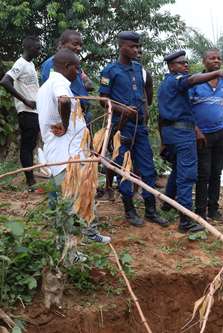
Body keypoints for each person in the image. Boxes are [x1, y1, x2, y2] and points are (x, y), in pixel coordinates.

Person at [36, 48, 110, 243]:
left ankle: (89, 233)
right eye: (76, 69)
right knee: (69, 201)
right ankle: (68, 252)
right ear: (67, 66)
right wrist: (66, 124)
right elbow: (63, 100)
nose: (78, 73)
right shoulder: (59, 82)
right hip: (66, 155)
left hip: (68, 153)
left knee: (85, 192)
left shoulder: (46, 86)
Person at [157, 50, 223, 233]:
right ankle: (186, 221)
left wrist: (163, 139)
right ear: (171, 66)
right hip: (183, 133)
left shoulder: (167, 83)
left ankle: (168, 204)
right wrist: (217, 72)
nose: (185, 65)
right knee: (188, 176)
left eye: (186, 63)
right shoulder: (178, 81)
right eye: (181, 63)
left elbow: (161, 116)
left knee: (178, 170)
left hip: (174, 132)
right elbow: (191, 80)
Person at [99, 31, 167, 228]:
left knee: (147, 168)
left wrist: (144, 114)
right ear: (122, 47)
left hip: (140, 127)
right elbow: (103, 99)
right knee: (123, 169)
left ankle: (151, 210)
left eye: (138, 47)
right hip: (121, 128)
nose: (137, 50)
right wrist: (122, 109)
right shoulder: (109, 71)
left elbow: (145, 95)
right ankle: (129, 210)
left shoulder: (139, 68)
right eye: (133, 47)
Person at [190, 48, 223, 221]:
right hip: (202, 135)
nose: (216, 60)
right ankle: (200, 211)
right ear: (204, 61)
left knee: (217, 173)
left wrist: (220, 106)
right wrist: (197, 130)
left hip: (219, 133)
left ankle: (214, 209)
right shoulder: (195, 82)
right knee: (203, 174)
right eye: (211, 58)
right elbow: (186, 107)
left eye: (218, 58)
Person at [0, 36, 42, 189]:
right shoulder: (20, 63)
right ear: (30, 48)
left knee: (30, 146)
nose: (39, 51)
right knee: (27, 146)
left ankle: (31, 180)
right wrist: (25, 100)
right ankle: (30, 182)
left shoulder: (30, 65)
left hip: (34, 111)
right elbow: (5, 81)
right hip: (26, 111)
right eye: (38, 48)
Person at [40, 30, 94, 124]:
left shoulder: (75, 65)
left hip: (82, 116)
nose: (79, 48)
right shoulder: (51, 64)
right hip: (68, 118)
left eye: (81, 45)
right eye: (75, 44)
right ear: (61, 44)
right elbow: (54, 95)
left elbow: (88, 85)